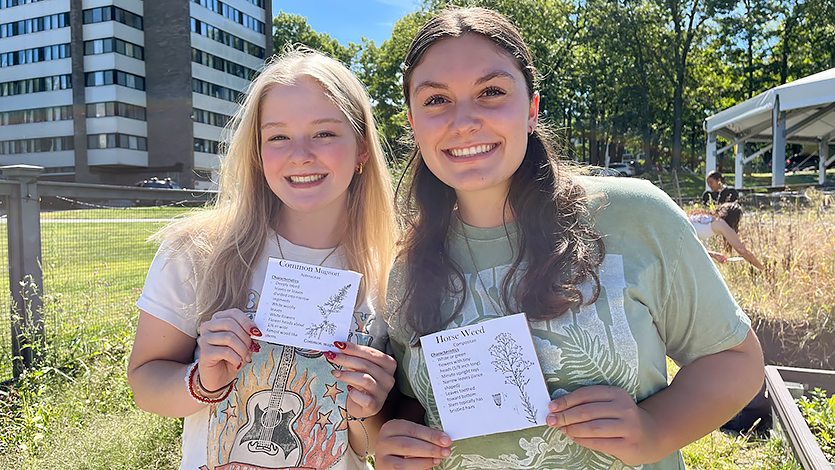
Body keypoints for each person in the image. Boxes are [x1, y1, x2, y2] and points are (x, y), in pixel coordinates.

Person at [376, 8, 764, 470]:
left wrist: (655, 430)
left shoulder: (633, 215)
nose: (464, 120)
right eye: (436, 100)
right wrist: (396, 442)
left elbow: (735, 360)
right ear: (413, 122)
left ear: (532, 110)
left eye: (492, 92)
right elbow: (413, 404)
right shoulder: (407, 269)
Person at [127, 49, 399, 470]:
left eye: (324, 133)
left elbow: (366, 446)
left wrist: (370, 410)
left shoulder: (393, 273)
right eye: (277, 136)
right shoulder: (198, 251)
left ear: (362, 148)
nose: (301, 153)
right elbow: (145, 382)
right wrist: (201, 381)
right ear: (256, 152)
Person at [688, 202, 764, 270]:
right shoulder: (721, 224)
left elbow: (690, 247)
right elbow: (741, 250)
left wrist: (714, 255)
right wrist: (762, 268)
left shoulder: (706, 218)